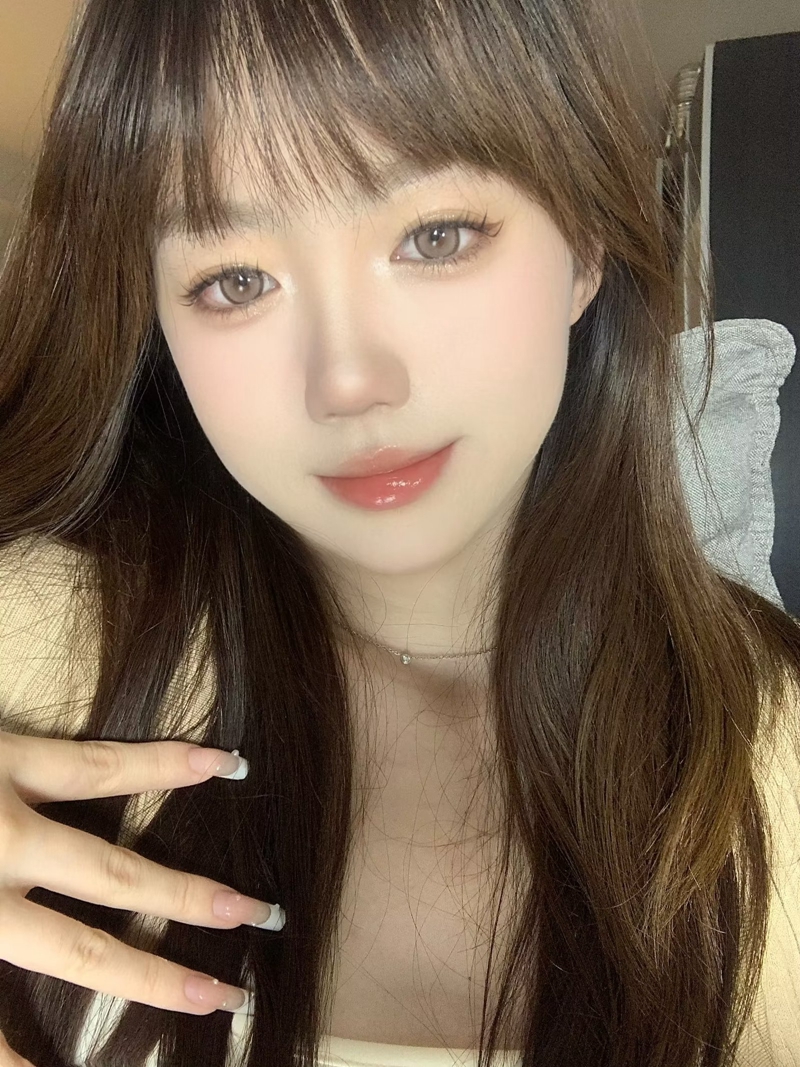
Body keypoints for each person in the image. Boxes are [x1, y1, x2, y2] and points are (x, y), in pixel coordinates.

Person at [1, 0, 799, 1064]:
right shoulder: (43, 648)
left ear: (584, 244)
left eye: (435, 236)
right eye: (235, 281)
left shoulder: (769, 759)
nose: (347, 380)